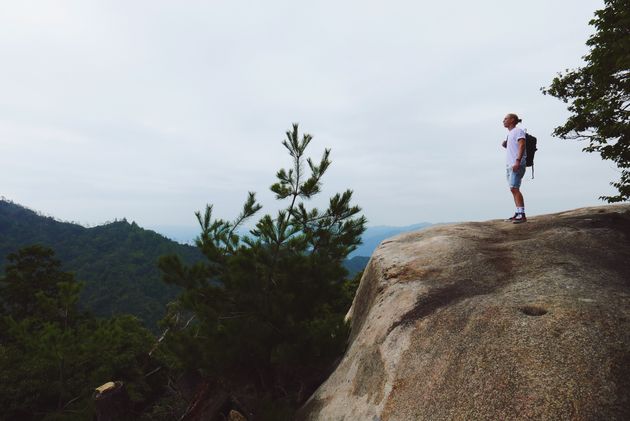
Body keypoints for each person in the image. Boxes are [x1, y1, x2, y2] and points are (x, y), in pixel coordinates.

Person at [501, 113, 527, 223]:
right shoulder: (510, 133)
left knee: (514, 188)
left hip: (517, 163)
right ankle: (518, 212)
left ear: (512, 120)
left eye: (505, 119)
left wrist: (518, 160)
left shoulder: (518, 131)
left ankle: (522, 214)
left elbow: (522, 145)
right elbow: (513, 146)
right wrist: (505, 144)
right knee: (513, 188)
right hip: (510, 165)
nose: (503, 121)